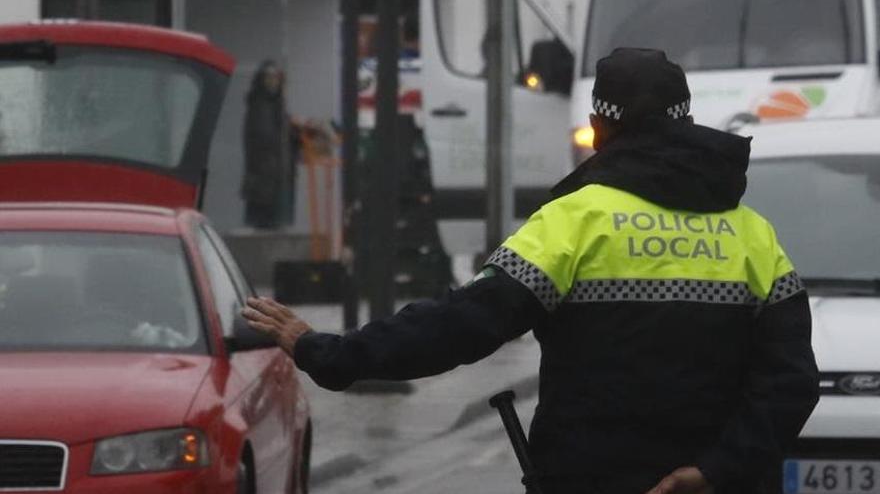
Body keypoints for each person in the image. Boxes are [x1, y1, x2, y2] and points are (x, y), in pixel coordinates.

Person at [242, 48, 819, 494]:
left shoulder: (571, 223)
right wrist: (714, 472)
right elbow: (791, 384)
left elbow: (459, 325)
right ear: (687, 123)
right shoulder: (754, 236)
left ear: (599, 127)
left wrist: (328, 353)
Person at [241, 60, 301, 229]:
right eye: (268, 78)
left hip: (278, 173)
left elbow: (283, 137)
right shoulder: (259, 105)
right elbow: (263, 138)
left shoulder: (278, 105)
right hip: (265, 175)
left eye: (275, 78)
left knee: (276, 221)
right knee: (265, 220)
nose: (272, 82)